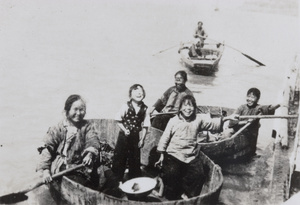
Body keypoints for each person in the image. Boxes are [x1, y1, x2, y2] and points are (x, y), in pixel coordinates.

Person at [154, 95, 238, 200]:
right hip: (174, 154)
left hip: (190, 155)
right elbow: (165, 138)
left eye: (191, 106)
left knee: (199, 174)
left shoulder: (198, 119)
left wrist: (228, 118)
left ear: (194, 108)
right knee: (172, 173)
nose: (188, 109)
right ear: (180, 108)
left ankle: (187, 194)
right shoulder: (173, 121)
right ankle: (171, 192)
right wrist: (161, 155)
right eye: (185, 106)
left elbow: (212, 124)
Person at [36, 94, 100, 189]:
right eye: (75, 109)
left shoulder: (86, 126)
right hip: (63, 166)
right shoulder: (58, 128)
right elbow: (47, 149)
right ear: (67, 110)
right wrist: (45, 171)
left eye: (81, 110)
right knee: (82, 184)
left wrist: (90, 153)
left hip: (80, 165)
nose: (78, 113)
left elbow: (93, 140)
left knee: (106, 175)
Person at [111, 84, 151, 182]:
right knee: (120, 157)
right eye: (136, 91)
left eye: (141, 91)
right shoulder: (126, 106)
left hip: (135, 137)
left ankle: (133, 180)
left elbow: (146, 125)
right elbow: (118, 119)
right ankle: (116, 180)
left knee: (135, 159)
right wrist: (125, 130)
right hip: (124, 137)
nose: (139, 93)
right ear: (130, 95)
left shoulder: (145, 109)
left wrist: (142, 139)